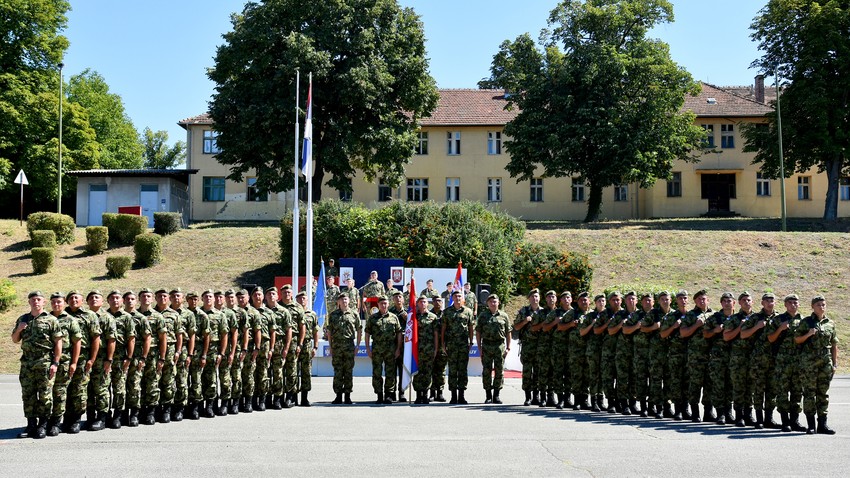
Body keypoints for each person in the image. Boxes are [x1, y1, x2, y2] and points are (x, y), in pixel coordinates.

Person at [11, 291, 63, 439]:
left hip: (45, 362)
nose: (35, 302)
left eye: (38, 299)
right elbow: (15, 339)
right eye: (33, 299)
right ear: (29, 302)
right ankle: (31, 424)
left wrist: (55, 362)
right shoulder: (23, 319)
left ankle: (43, 425)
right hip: (27, 364)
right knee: (28, 395)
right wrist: (20, 329)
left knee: (45, 396)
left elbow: (58, 342)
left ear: (44, 302)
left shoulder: (51, 320)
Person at [795, 295, 838, 434]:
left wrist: (834, 363)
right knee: (809, 394)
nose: (821, 307)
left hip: (825, 363)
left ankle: (822, 425)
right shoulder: (806, 322)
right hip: (809, 363)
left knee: (823, 394)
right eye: (818, 304)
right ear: (812, 307)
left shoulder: (830, 323)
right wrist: (808, 334)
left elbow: (834, 344)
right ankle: (811, 425)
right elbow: (797, 340)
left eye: (823, 304)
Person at [63, 290, 101, 434]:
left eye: (76, 297)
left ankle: (77, 420)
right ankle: (66, 419)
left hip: (83, 358)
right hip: (65, 358)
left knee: (80, 390)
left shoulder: (89, 316)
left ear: (82, 301)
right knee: (65, 390)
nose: (73, 300)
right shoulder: (61, 315)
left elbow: (96, 339)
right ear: (67, 301)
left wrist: (92, 359)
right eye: (70, 297)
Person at [741, 292, 779, 429]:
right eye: (767, 300)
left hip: (774, 360)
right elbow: (743, 334)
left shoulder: (779, 318)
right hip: (758, 360)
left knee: (772, 390)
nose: (770, 303)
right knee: (757, 390)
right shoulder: (755, 317)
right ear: (762, 303)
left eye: (772, 300)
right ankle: (759, 419)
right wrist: (756, 327)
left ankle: (769, 418)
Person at [769, 294, 805, 432]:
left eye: (795, 302)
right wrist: (780, 329)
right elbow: (771, 339)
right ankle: (785, 422)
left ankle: (795, 421)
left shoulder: (804, 321)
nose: (793, 305)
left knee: (797, 391)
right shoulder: (778, 320)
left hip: (798, 361)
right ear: (785, 305)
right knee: (782, 391)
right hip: (782, 361)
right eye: (790, 302)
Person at [47, 292, 80, 436]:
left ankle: (56, 423)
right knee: (47, 393)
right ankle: (46, 420)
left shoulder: (71, 320)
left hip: (64, 361)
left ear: (64, 303)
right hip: (47, 361)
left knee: (60, 393)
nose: (56, 304)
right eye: (53, 302)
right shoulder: (46, 318)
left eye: (59, 302)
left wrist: (74, 362)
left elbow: (77, 342)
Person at [103, 290, 135, 430]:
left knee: (119, 388)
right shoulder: (103, 316)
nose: (115, 300)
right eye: (112, 298)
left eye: (117, 298)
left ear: (122, 301)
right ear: (108, 301)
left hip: (121, 357)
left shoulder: (127, 317)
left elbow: (131, 339)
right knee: (103, 388)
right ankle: (105, 414)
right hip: (104, 358)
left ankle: (118, 415)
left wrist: (129, 357)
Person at [723, 291, 754, 426]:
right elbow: (726, 336)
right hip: (738, 358)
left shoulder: (756, 318)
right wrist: (740, 327)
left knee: (751, 388)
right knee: (738, 388)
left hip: (753, 358)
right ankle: (739, 416)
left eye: (749, 300)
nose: (747, 302)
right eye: (744, 300)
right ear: (739, 303)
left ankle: (749, 415)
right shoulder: (734, 319)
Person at [364, 295, 402, 404]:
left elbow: (399, 333)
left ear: (388, 304)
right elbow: (367, 333)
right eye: (381, 304)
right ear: (378, 305)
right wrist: (368, 348)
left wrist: (398, 348)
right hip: (377, 350)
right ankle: (379, 394)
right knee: (377, 373)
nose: (383, 305)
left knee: (390, 372)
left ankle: (388, 395)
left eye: (385, 303)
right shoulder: (372, 318)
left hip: (391, 350)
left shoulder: (394, 317)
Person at [681, 289, 713, 422]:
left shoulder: (714, 314)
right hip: (696, 356)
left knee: (710, 385)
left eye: (704, 299)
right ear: (695, 301)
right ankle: (695, 412)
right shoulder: (690, 315)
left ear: (708, 300)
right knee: (694, 384)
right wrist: (696, 325)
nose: (702, 301)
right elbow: (683, 333)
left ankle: (708, 413)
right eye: (699, 299)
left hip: (711, 356)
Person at [86, 290, 115, 431]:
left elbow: (111, 340)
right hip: (86, 359)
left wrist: (109, 359)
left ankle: (102, 418)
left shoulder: (107, 317)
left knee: (102, 389)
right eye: (91, 298)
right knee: (88, 389)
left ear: (102, 301)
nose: (94, 300)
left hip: (102, 358)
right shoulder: (84, 316)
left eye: (97, 297)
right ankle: (90, 417)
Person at [705, 292, 735, 425]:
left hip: (735, 357)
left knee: (731, 385)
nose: (727, 303)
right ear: (721, 303)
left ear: (734, 303)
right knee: (718, 385)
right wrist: (715, 331)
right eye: (724, 301)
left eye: (729, 301)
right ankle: (720, 413)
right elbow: (705, 334)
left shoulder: (738, 317)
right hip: (718, 357)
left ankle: (729, 412)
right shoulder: (714, 318)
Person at [475, 294, 511, 404]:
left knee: (499, 371)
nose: (493, 303)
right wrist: (480, 348)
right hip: (486, 345)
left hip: (499, 345)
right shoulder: (483, 316)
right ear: (487, 303)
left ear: (498, 303)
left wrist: (508, 347)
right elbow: (478, 332)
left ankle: (496, 395)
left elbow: (508, 332)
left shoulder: (504, 316)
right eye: (490, 302)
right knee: (487, 371)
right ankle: (488, 395)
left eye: (495, 301)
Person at [139, 289, 167, 426]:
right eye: (143, 296)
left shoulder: (158, 317)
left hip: (153, 354)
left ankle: (151, 412)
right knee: (137, 383)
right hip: (137, 354)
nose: (146, 298)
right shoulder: (134, 315)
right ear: (139, 299)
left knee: (152, 383)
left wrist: (162, 358)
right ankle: (139, 410)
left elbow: (163, 339)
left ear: (152, 299)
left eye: (148, 296)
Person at [326, 294, 361, 404]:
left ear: (349, 301)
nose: (344, 301)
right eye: (342, 299)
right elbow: (329, 332)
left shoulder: (354, 314)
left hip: (349, 346)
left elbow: (359, 330)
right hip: (337, 347)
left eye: (346, 299)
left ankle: (347, 396)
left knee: (348, 371)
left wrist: (358, 346)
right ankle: (338, 395)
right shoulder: (333, 315)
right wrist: (331, 347)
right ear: (338, 302)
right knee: (337, 371)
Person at [442, 290, 475, 404]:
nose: (458, 298)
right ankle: (453, 395)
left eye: (459, 296)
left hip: (463, 345)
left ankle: (461, 395)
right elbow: (443, 329)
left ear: (462, 298)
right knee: (452, 370)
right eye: (455, 296)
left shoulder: (468, 311)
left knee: (462, 370)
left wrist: (471, 342)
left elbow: (471, 327)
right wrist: (443, 344)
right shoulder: (447, 312)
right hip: (451, 345)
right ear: (452, 298)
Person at [123, 290, 150, 428]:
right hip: (120, 358)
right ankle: (121, 413)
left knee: (134, 386)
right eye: (127, 299)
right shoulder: (117, 316)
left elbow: (147, 339)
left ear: (136, 301)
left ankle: (134, 414)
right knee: (119, 387)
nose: (130, 301)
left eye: (132, 299)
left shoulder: (141, 318)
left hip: (136, 357)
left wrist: (143, 357)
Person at [153, 289, 181, 423]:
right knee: (153, 380)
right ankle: (155, 407)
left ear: (168, 298)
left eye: (164, 296)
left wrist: (178, 351)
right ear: (155, 298)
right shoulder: (150, 313)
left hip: (170, 349)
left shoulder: (174, 314)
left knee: (168, 380)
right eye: (159, 296)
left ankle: (167, 409)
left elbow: (179, 334)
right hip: (153, 349)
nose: (162, 298)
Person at [199, 290, 228, 418]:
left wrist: (221, 353)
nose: (208, 299)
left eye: (210, 297)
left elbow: (224, 335)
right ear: (202, 298)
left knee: (211, 379)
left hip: (213, 351)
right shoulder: (197, 314)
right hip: (197, 351)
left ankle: (210, 405)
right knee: (197, 379)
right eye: (206, 297)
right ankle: (199, 406)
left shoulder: (220, 315)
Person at [660, 291, 688, 420]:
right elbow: (663, 334)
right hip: (675, 354)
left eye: (685, 298)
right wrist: (674, 326)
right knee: (675, 382)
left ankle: (685, 409)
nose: (683, 300)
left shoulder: (691, 315)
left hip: (690, 355)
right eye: (680, 298)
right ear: (676, 301)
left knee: (687, 383)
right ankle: (677, 410)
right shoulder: (671, 317)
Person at [170, 288, 195, 422]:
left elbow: (191, 336)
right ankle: (166, 406)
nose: (175, 298)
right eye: (173, 296)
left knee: (181, 379)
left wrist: (190, 354)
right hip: (167, 350)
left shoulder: (188, 314)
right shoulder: (164, 313)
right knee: (167, 380)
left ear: (183, 298)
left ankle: (180, 408)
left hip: (183, 350)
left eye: (178, 296)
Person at [646, 291, 673, 419]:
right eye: (662, 299)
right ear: (658, 301)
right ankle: (658, 407)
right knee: (656, 380)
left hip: (671, 353)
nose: (665, 301)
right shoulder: (654, 314)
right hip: (656, 353)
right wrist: (654, 327)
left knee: (669, 380)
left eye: (667, 299)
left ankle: (667, 405)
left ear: (671, 300)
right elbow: (643, 328)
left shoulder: (675, 314)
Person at [514, 289, 542, 406]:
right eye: (532, 297)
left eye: (536, 296)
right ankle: (527, 397)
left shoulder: (543, 312)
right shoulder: (524, 311)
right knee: (527, 372)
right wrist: (525, 321)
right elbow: (516, 327)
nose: (535, 298)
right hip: (527, 345)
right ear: (529, 299)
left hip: (540, 346)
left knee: (538, 372)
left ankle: (536, 396)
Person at [266, 286, 292, 409]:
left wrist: (286, 347)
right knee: (265, 373)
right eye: (269, 294)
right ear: (266, 297)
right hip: (265, 346)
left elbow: (289, 331)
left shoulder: (284, 311)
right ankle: (266, 398)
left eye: (273, 294)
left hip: (279, 345)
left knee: (278, 373)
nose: (271, 296)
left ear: (277, 297)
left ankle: (277, 398)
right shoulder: (262, 311)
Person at [250, 287, 276, 412]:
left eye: (259, 294)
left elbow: (273, 332)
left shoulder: (269, 312)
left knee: (263, 373)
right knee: (250, 373)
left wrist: (271, 348)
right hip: (250, 345)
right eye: (255, 295)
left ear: (263, 297)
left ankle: (262, 400)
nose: (257, 297)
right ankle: (251, 400)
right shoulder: (248, 311)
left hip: (265, 345)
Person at [185, 291, 209, 420]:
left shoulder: (203, 316)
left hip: (198, 352)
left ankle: (195, 407)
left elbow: (206, 337)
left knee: (196, 380)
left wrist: (204, 355)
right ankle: (183, 405)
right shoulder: (182, 314)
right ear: (187, 300)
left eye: (195, 299)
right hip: (184, 351)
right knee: (182, 380)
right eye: (191, 299)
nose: (193, 301)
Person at [413, 296, 439, 404]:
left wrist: (436, 349)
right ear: (417, 304)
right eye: (420, 302)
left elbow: (436, 334)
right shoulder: (414, 317)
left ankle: (425, 394)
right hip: (417, 349)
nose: (423, 304)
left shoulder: (433, 317)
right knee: (417, 373)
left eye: (424, 302)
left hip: (429, 349)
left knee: (427, 372)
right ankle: (418, 395)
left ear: (427, 304)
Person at [566, 291, 590, 410]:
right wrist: (570, 324)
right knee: (576, 375)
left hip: (589, 350)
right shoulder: (572, 313)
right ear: (577, 302)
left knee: (587, 376)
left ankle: (585, 399)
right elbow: (560, 326)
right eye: (581, 300)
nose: (584, 302)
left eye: (585, 300)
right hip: (575, 350)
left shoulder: (592, 314)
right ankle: (576, 400)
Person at [295, 291, 320, 406]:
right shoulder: (293, 312)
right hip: (294, 343)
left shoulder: (312, 314)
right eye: (299, 299)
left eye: (304, 298)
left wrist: (315, 346)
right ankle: (293, 398)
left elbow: (315, 331)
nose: (302, 301)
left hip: (307, 345)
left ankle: (304, 398)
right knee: (293, 371)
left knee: (306, 372)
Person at [533, 290, 558, 407]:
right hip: (544, 346)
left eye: (553, 297)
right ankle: (542, 397)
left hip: (557, 346)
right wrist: (547, 324)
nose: (551, 299)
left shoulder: (560, 312)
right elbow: (534, 328)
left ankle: (551, 397)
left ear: (556, 299)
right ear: (545, 299)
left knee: (554, 372)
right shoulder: (541, 313)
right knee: (543, 372)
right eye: (548, 297)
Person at [616, 291, 639, 415]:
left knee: (634, 378)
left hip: (637, 351)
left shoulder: (641, 314)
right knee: (623, 378)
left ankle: (633, 403)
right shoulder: (619, 315)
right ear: (625, 301)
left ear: (636, 300)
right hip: (622, 351)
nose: (631, 301)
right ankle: (623, 404)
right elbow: (611, 330)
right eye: (628, 299)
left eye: (633, 299)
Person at [215, 290, 238, 416]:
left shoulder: (229, 314)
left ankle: (225, 403)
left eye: (220, 297)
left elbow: (234, 333)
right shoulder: (204, 312)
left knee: (225, 378)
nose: (218, 300)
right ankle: (211, 404)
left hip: (226, 350)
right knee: (209, 379)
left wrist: (232, 352)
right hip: (210, 351)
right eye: (216, 297)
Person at [631, 292, 654, 417]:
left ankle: (652, 406)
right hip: (640, 353)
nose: (647, 302)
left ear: (653, 302)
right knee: (641, 380)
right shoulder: (636, 315)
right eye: (645, 300)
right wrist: (637, 326)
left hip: (657, 353)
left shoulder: (658, 314)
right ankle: (643, 407)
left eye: (649, 300)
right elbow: (625, 329)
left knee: (655, 381)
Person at [280, 285, 304, 407]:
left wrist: (300, 343)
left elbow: (302, 327)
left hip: (293, 341)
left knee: (291, 370)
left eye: (289, 292)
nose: (286, 294)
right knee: (278, 370)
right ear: (281, 293)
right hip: (279, 341)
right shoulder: (277, 306)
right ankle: (279, 395)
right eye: (284, 292)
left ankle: (290, 395)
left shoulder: (298, 307)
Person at [584, 293, 607, 412]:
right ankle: (593, 400)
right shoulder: (590, 316)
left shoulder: (609, 315)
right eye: (599, 301)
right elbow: (582, 332)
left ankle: (600, 400)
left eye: (603, 301)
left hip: (605, 350)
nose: (601, 303)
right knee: (594, 375)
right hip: (593, 350)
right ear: (595, 303)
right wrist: (592, 324)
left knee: (603, 375)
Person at [551, 291, 572, 409]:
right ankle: (560, 399)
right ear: (561, 300)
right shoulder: (556, 313)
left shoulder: (575, 312)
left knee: (569, 374)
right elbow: (545, 327)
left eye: (568, 297)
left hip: (572, 348)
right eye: (564, 298)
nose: (566, 300)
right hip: (558, 348)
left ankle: (567, 398)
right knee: (558, 374)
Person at [601, 292, 622, 412]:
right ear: (609, 301)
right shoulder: (604, 314)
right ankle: (611, 402)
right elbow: (597, 330)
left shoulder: (625, 313)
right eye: (613, 300)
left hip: (622, 351)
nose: (616, 302)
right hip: (607, 351)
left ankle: (620, 401)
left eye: (618, 300)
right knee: (608, 378)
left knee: (621, 378)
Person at [388, 289, 409, 402]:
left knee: (402, 370)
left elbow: (414, 328)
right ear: (393, 300)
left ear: (403, 299)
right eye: (395, 297)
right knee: (391, 369)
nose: (398, 299)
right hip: (392, 344)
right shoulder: (389, 312)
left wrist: (408, 319)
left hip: (405, 345)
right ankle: (391, 393)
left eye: (400, 297)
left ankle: (402, 392)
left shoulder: (408, 312)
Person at [430, 296, 448, 402]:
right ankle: (432, 393)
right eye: (436, 301)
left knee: (441, 370)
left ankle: (440, 393)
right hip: (430, 346)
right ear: (432, 302)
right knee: (431, 370)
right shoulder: (429, 314)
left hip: (442, 346)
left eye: (440, 301)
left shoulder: (445, 314)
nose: (438, 302)